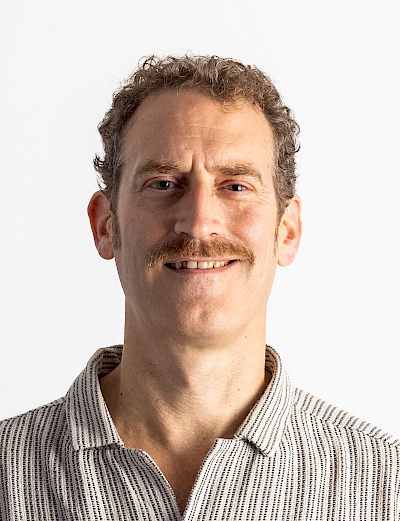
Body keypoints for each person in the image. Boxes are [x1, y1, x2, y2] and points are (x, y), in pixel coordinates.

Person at [0, 55, 399, 521]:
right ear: (105, 224)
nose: (198, 223)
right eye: (163, 183)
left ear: (287, 231)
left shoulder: (387, 484)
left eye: (235, 186)